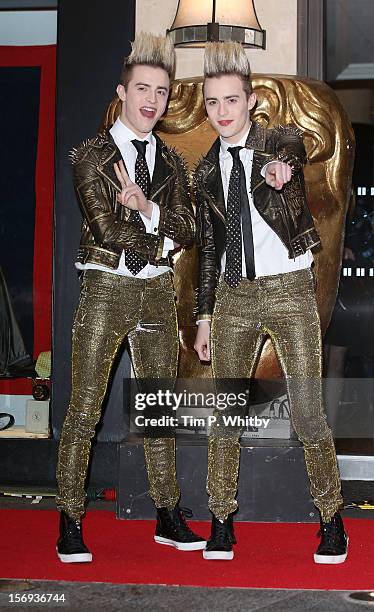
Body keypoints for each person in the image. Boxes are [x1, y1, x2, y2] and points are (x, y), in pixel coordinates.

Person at [194, 41, 348, 563]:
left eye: (230, 101)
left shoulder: (276, 140)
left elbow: (292, 153)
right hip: (234, 297)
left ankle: (332, 520)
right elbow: (210, 251)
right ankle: (220, 521)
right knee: (225, 415)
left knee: (307, 413)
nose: (221, 113)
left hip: (289, 291)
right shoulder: (205, 173)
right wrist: (205, 314)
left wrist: (281, 170)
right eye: (212, 103)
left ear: (250, 99)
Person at [56, 32, 205, 563]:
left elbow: (188, 229)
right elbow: (104, 227)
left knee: (160, 410)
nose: (152, 100)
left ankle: (167, 515)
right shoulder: (89, 155)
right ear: (122, 92)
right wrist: (158, 234)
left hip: (157, 292)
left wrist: (147, 210)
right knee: (84, 410)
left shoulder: (169, 160)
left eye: (161, 92)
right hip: (106, 288)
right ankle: (70, 517)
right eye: (143, 88)